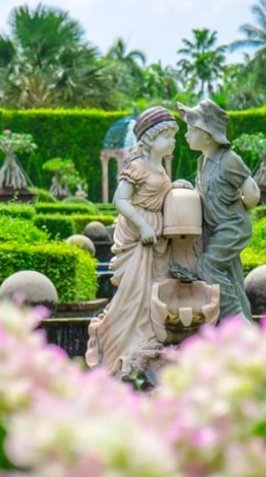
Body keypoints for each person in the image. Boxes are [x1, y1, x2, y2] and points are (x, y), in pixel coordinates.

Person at [86, 106, 188, 377]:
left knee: (156, 288)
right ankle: (124, 343)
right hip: (140, 236)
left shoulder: (159, 168)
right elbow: (120, 200)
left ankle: (151, 337)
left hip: (158, 239)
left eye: (173, 136)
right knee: (136, 292)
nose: (172, 141)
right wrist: (142, 225)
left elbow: (160, 194)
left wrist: (176, 186)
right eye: (166, 136)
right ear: (150, 139)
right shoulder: (138, 167)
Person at [177, 99, 260, 322]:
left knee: (207, 266)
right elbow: (205, 193)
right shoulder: (203, 161)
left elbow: (252, 193)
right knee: (232, 275)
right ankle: (246, 321)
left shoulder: (229, 159)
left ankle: (236, 321)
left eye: (191, 129)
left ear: (207, 135)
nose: (186, 135)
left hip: (232, 226)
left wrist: (239, 208)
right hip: (218, 228)